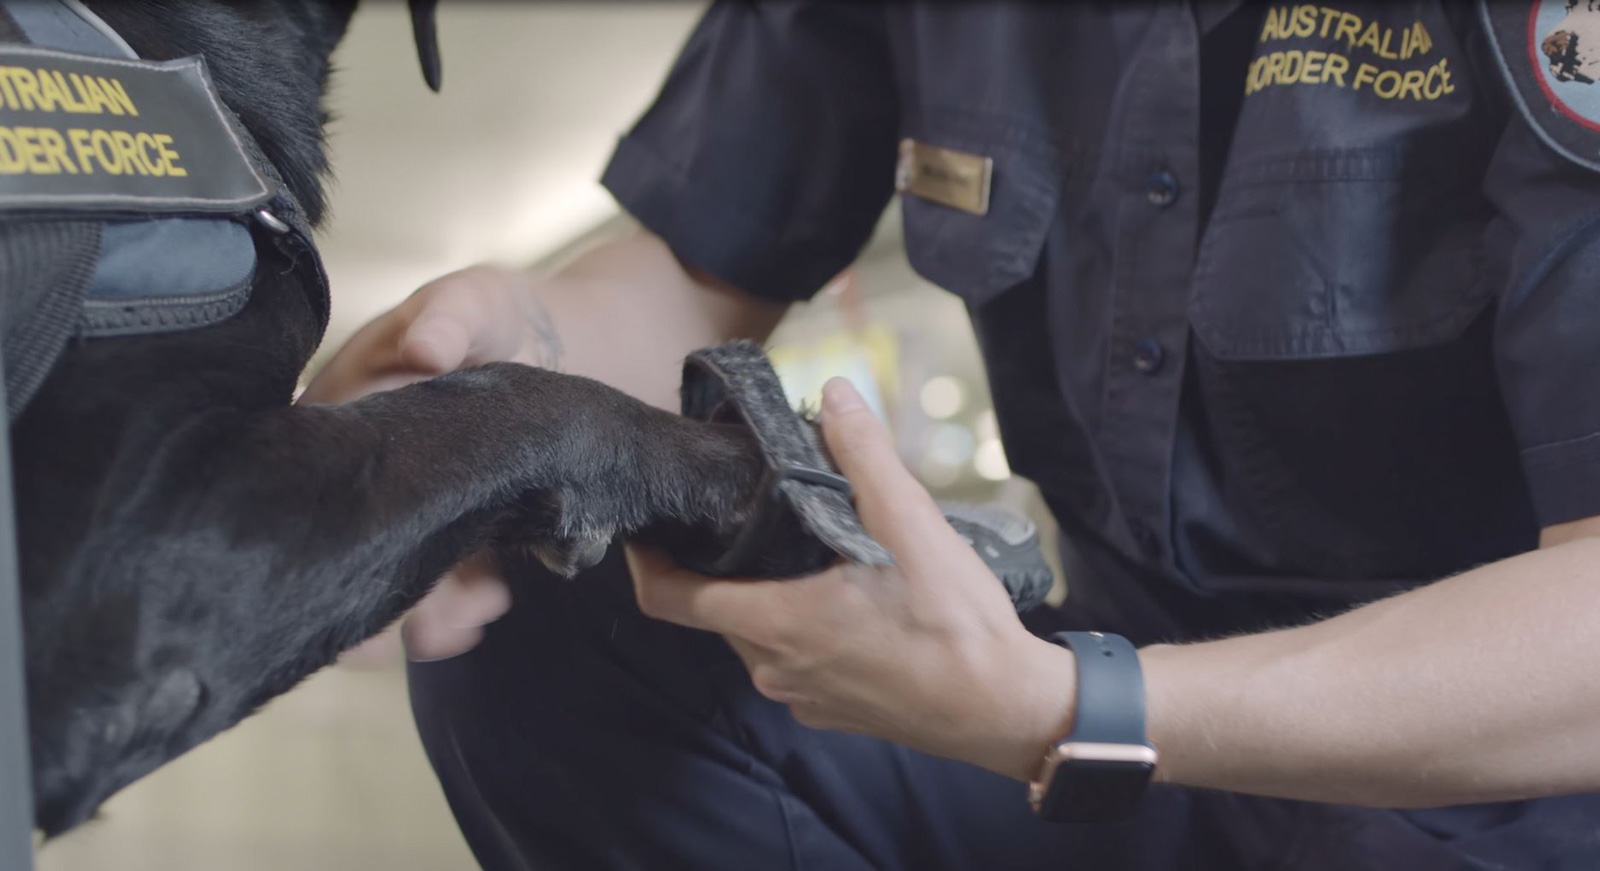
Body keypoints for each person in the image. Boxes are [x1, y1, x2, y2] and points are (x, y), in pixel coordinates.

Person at [306, 2, 1600, 868]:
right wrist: (495, 363)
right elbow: (688, 275)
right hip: (1104, 743)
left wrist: (1075, 710)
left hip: (1497, 799)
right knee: (546, 553)